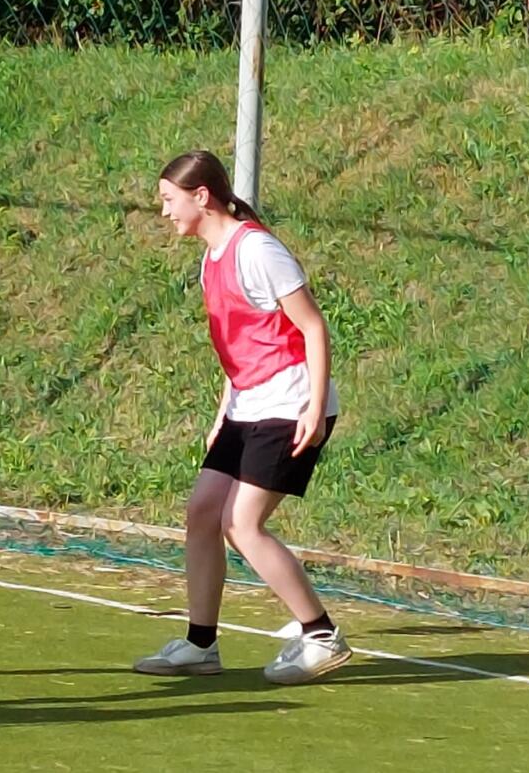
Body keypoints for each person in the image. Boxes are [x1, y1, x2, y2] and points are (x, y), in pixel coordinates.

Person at [134, 149, 349, 685]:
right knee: (203, 511)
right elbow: (240, 346)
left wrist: (314, 408)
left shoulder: (258, 251)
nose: (164, 211)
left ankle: (321, 635)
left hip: (290, 402)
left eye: (169, 200)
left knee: (242, 524)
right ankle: (200, 644)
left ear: (201, 196)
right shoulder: (211, 259)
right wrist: (222, 414)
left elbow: (313, 328)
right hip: (247, 405)